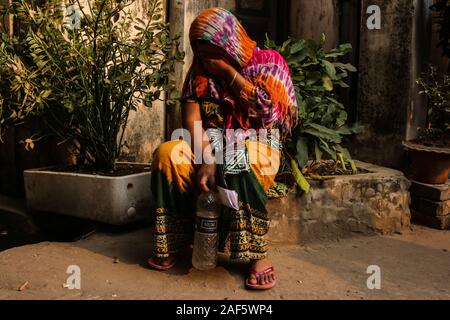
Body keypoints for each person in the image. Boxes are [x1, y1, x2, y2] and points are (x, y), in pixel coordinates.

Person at [147, 7, 297, 290]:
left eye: (210, 51)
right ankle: (175, 241)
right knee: (168, 153)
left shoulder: (269, 63)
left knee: (235, 157)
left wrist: (228, 73)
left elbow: (267, 116)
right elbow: (191, 121)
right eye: (199, 52)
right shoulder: (198, 75)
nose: (205, 59)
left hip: (258, 145)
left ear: (230, 41)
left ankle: (256, 255)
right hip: (210, 147)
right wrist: (207, 157)